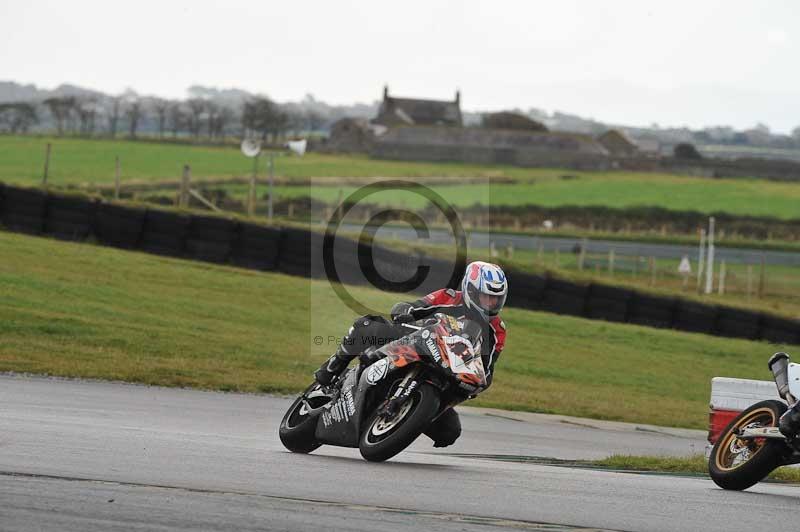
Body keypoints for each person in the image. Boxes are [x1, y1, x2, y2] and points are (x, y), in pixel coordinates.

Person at [314, 261, 508, 447]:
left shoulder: (497, 329)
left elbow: (486, 368)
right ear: (471, 291)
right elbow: (414, 306)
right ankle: (331, 369)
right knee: (366, 326)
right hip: (414, 342)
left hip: (447, 370)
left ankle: (403, 419)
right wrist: (405, 310)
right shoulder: (448, 297)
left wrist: (476, 383)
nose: (491, 303)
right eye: (486, 297)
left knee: (450, 432)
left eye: (496, 299)